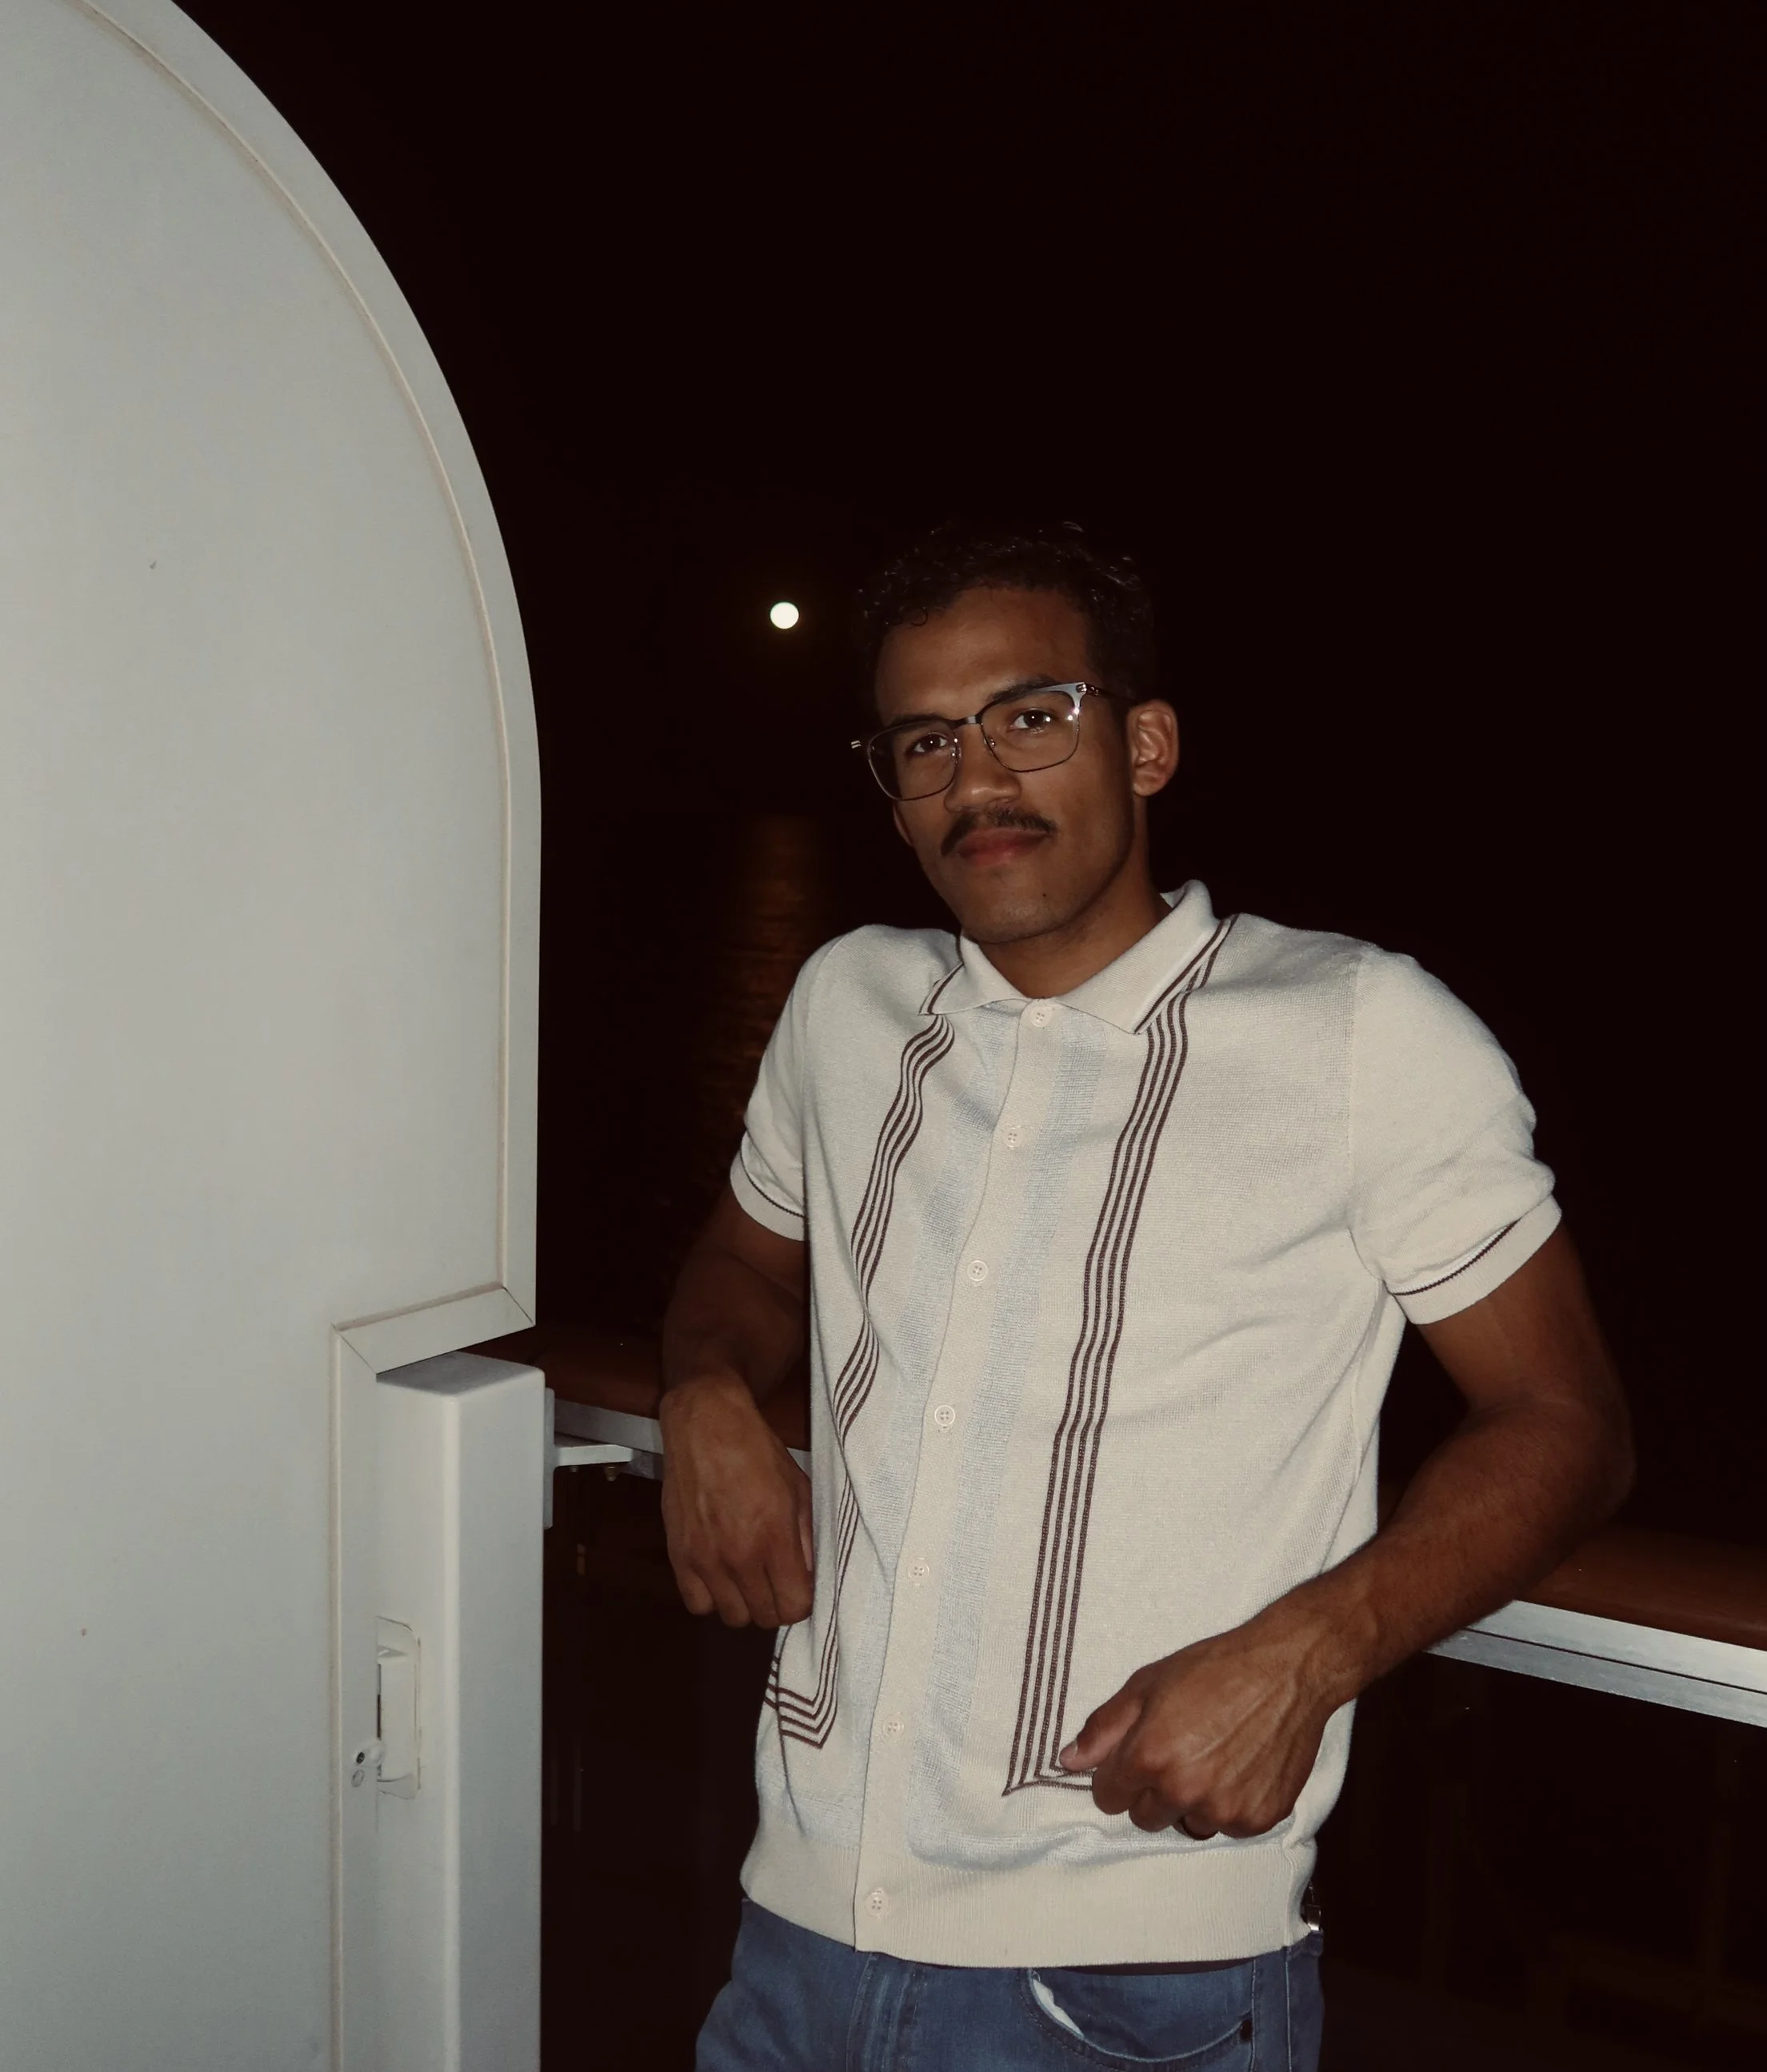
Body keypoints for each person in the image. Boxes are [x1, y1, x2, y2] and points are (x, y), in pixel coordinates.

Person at [664, 522, 1633, 2071]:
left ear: (1147, 741)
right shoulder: (843, 1003)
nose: (975, 779)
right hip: (789, 1947)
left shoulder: (1358, 1031)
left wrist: (1315, 1649)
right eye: (924, 740)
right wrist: (705, 1393)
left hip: (1131, 1989)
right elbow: (741, 1260)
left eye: (1028, 716)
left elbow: (1567, 1423)